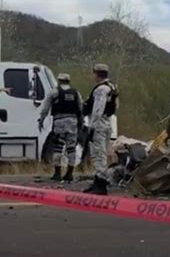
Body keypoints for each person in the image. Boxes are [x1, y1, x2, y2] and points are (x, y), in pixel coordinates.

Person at [38, 73, 82, 182]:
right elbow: (80, 108)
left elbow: (45, 108)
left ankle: (57, 173)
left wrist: (41, 120)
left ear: (59, 80)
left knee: (58, 147)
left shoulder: (54, 92)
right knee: (71, 148)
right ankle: (69, 173)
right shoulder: (76, 93)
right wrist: (81, 121)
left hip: (59, 122)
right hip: (73, 121)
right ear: (69, 81)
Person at [83, 63, 118, 195]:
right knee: (100, 153)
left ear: (97, 73)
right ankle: (97, 182)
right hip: (107, 123)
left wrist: (92, 126)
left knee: (98, 155)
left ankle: (100, 185)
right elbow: (115, 107)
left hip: (98, 124)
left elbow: (98, 109)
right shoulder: (112, 87)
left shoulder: (100, 89)